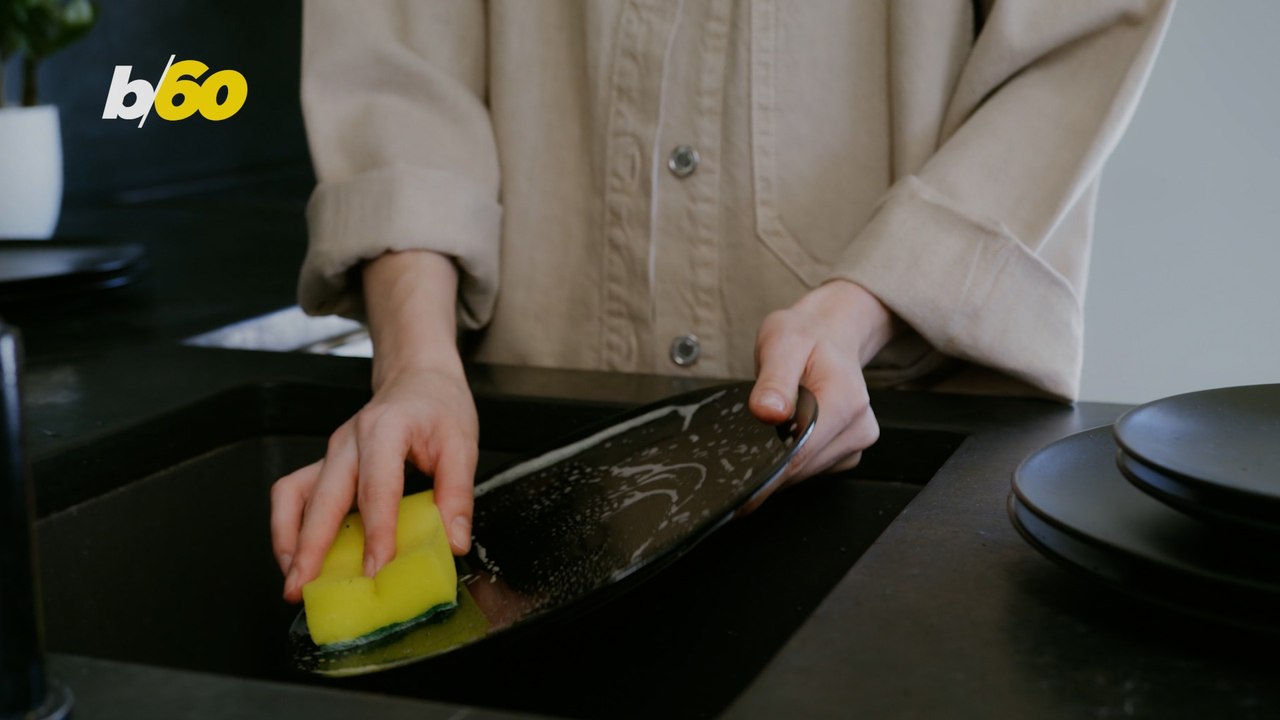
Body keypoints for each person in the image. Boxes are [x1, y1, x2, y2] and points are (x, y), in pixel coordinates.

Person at [272, 0, 1173, 603]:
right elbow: (395, 50)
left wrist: (867, 303)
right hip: (524, 457)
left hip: (906, 449)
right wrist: (417, 362)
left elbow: (1075, 39)